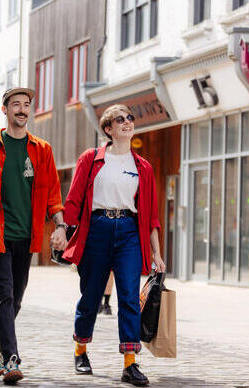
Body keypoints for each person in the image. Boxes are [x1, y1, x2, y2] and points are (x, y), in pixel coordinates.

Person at [57, 104, 165, 386]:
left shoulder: (143, 167)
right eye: (120, 119)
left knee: (129, 296)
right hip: (97, 229)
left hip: (129, 231)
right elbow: (74, 201)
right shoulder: (90, 159)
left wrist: (157, 253)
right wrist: (61, 229)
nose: (128, 122)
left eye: (130, 117)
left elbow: (151, 215)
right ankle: (80, 350)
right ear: (108, 129)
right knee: (91, 295)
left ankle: (130, 363)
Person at [0, 87, 65, 384]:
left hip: (27, 236)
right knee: (4, 294)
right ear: (4, 110)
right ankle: (10, 359)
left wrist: (60, 226)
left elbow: (53, 196)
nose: (22, 109)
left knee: (15, 299)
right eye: (15, 104)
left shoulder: (42, 150)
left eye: (26, 104)